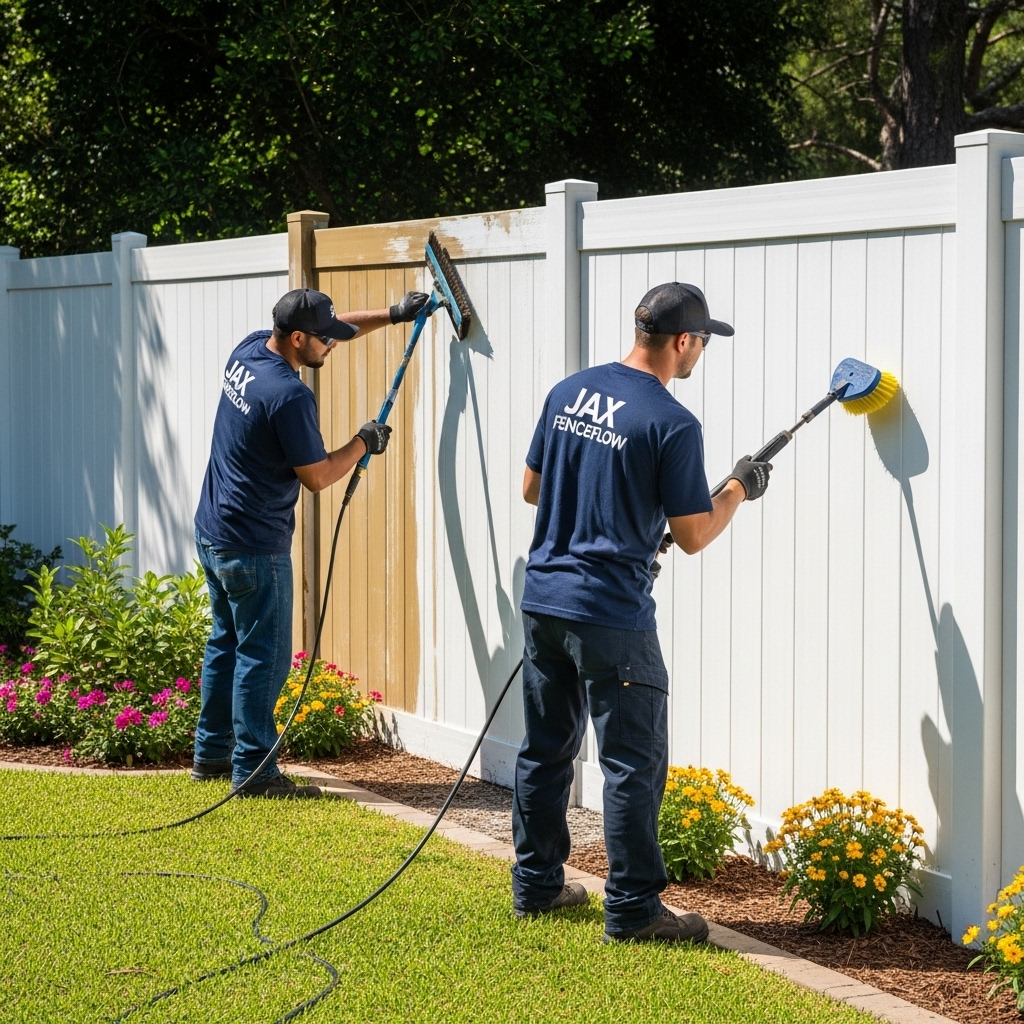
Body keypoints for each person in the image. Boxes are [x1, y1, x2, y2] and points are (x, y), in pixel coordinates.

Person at [511, 282, 771, 941]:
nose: (701, 353)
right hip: (611, 615)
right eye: (703, 341)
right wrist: (740, 487)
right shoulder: (672, 422)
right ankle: (632, 911)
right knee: (631, 762)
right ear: (683, 342)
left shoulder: (569, 391)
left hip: (544, 599)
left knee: (545, 750)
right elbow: (692, 535)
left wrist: (612, 506)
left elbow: (532, 488)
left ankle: (536, 887)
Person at [191, 286, 428, 798]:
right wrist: (365, 441)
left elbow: (339, 327)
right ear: (298, 338)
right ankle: (255, 772)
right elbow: (317, 477)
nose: (334, 344)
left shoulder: (252, 348)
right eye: (324, 339)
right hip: (253, 543)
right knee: (265, 656)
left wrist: (393, 315)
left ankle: (210, 754)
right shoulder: (290, 395)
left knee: (226, 644)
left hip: (214, 529)